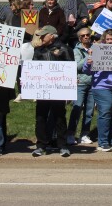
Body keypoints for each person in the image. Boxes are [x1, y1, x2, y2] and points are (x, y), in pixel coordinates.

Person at [31, 25, 73, 157]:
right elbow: (33, 68)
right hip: (42, 90)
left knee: (60, 117)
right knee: (40, 117)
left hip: (58, 90)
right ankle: (41, 145)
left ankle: (62, 145)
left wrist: (69, 89)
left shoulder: (64, 49)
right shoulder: (38, 51)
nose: (42, 38)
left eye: (44, 35)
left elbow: (70, 69)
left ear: (52, 36)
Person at [68, 27, 96, 145]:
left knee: (89, 111)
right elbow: (77, 67)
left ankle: (84, 134)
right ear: (80, 38)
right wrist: (88, 56)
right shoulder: (76, 51)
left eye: (88, 35)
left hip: (93, 84)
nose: (86, 37)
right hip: (80, 83)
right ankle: (70, 134)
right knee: (77, 108)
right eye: (83, 35)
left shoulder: (96, 49)